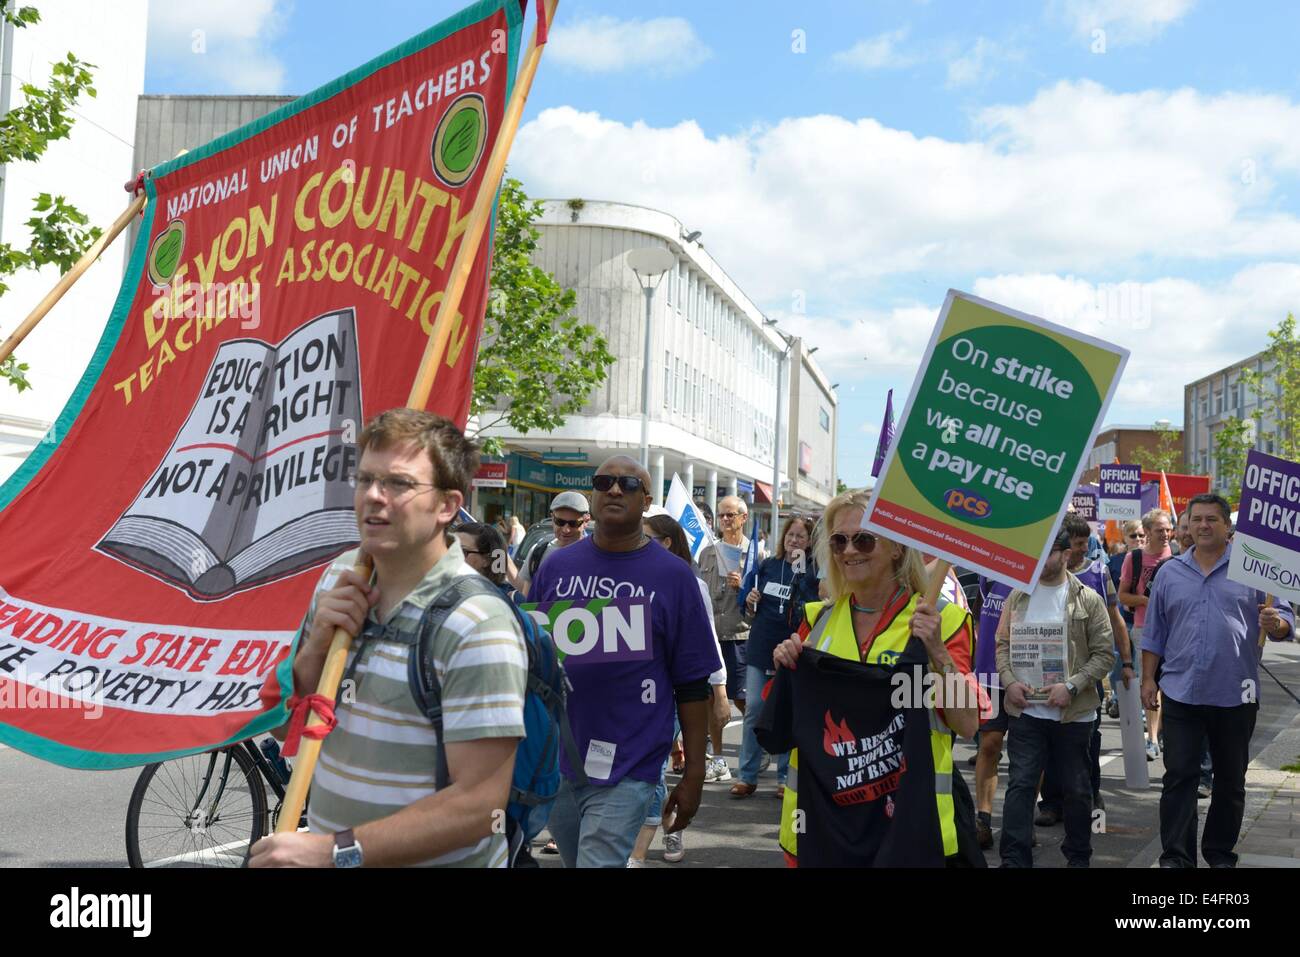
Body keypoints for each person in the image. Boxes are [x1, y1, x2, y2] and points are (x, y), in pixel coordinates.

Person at [250, 409, 527, 868]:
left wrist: (330, 852)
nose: (373, 497)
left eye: (398, 484)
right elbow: (285, 728)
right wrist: (317, 646)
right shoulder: (336, 580)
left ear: (446, 506)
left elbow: (480, 807)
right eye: (364, 480)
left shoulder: (478, 622)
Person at [768, 489, 981, 866]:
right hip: (821, 830)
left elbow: (967, 724)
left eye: (864, 539)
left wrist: (938, 653)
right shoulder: (816, 622)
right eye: (839, 541)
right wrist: (784, 662)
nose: (850, 550)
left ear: (897, 548)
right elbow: (781, 726)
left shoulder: (943, 621)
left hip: (911, 830)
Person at [529, 455, 721, 868]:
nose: (614, 490)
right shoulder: (556, 566)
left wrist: (695, 775)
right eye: (604, 482)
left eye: (629, 485)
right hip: (559, 762)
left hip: (629, 765)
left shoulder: (674, 576)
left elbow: (691, 683)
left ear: (646, 500)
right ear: (593, 494)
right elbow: (534, 664)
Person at [1143, 493, 1294, 868]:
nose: (1204, 526)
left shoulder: (1257, 569)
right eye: (1197, 520)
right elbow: (1154, 633)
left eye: (1212, 519)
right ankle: (1176, 857)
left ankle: (1219, 853)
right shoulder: (1170, 572)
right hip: (1180, 692)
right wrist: (1148, 679)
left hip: (1235, 692)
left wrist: (1276, 624)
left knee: (1230, 782)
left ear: (1228, 526)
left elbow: (1286, 624)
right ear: (1188, 525)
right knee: (1179, 778)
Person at [996, 529, 1114, 868]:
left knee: (1078, 790)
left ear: (1065, 555)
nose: (1038, 559)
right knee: (1020, 785)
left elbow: (1104, 653)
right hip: (1026, 712)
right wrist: (1009, 682)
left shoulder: (1087, 598)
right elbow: (1002, 645)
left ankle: (1078, 857)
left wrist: (1072, 686)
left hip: (1073, 716)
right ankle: (1014, 860)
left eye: (1047, 552)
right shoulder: (1017, 596)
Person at [627, 513, 730, 866]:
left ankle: (653, 844)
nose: (637, 543)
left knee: (653, 771)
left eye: (647, 537)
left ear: (667, 542)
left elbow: (706, 645)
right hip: (631, 699)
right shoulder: (626, 578)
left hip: (671, 696)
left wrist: (719, 693)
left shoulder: (688, 582)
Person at [1036, 514, 1134, 826]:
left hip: (1087, 678)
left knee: (1087, 743)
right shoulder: (1039, 576)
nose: (1081, 550)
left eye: (1083, 544)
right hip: (1045, 675)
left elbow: (1115, 618)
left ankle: (1091, 795)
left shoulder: (1097, 571)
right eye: (1077, 545)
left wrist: (1127, 662)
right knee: (1049, 743)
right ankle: (1052, 803)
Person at [736, 514, 820, 797]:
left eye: (800, 536)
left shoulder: (812, 571)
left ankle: (785, 778)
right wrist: (749, 600)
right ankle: (747, 776)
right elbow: (746, 608)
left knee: (789, 712)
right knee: (755, 711)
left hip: (794, 651)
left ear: (809, 542)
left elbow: (816, 607)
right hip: (762, 648)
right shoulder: (768, 566)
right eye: (790, 535)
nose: (794, 540)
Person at [696, 494, 758, 783]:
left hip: (740, 634)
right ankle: (719, 759)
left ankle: (758, 746)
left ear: (743, 518)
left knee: (745, 701)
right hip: (711, 636)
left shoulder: (757, 555)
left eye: (730, 515)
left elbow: (764, 604)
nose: (724, 520)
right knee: (712, 699)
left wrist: (744, 587)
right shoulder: (708, 553)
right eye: (721, 515)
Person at [1118, 508, 1173, 760]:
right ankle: (1152, 738)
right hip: (1144, 628)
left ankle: (1158, 731)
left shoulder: (1178, 557)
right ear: (1148, 532)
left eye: (1168, 529)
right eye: (1160, 530)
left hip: (1175, 630)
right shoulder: (1135, 559)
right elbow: (1122, 596)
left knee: (1168, 684)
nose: (1166, 534)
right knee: (1149, 681)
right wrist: (1146, 601)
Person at [973, 574, 1013, 849]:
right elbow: (978, 619)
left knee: (1028, 754)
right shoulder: (989, 574)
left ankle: (1019, 819)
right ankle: (983, 820)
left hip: (1028, 677)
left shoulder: (1041, 575)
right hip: (990, 675)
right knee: (989, 745)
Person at [514, 491, 589, 598]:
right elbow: (528, 600)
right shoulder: (538, 552)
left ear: (586, 521)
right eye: (560, 522)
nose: (566, 530)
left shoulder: (597, 554)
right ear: (552, 518)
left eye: (573, 524)